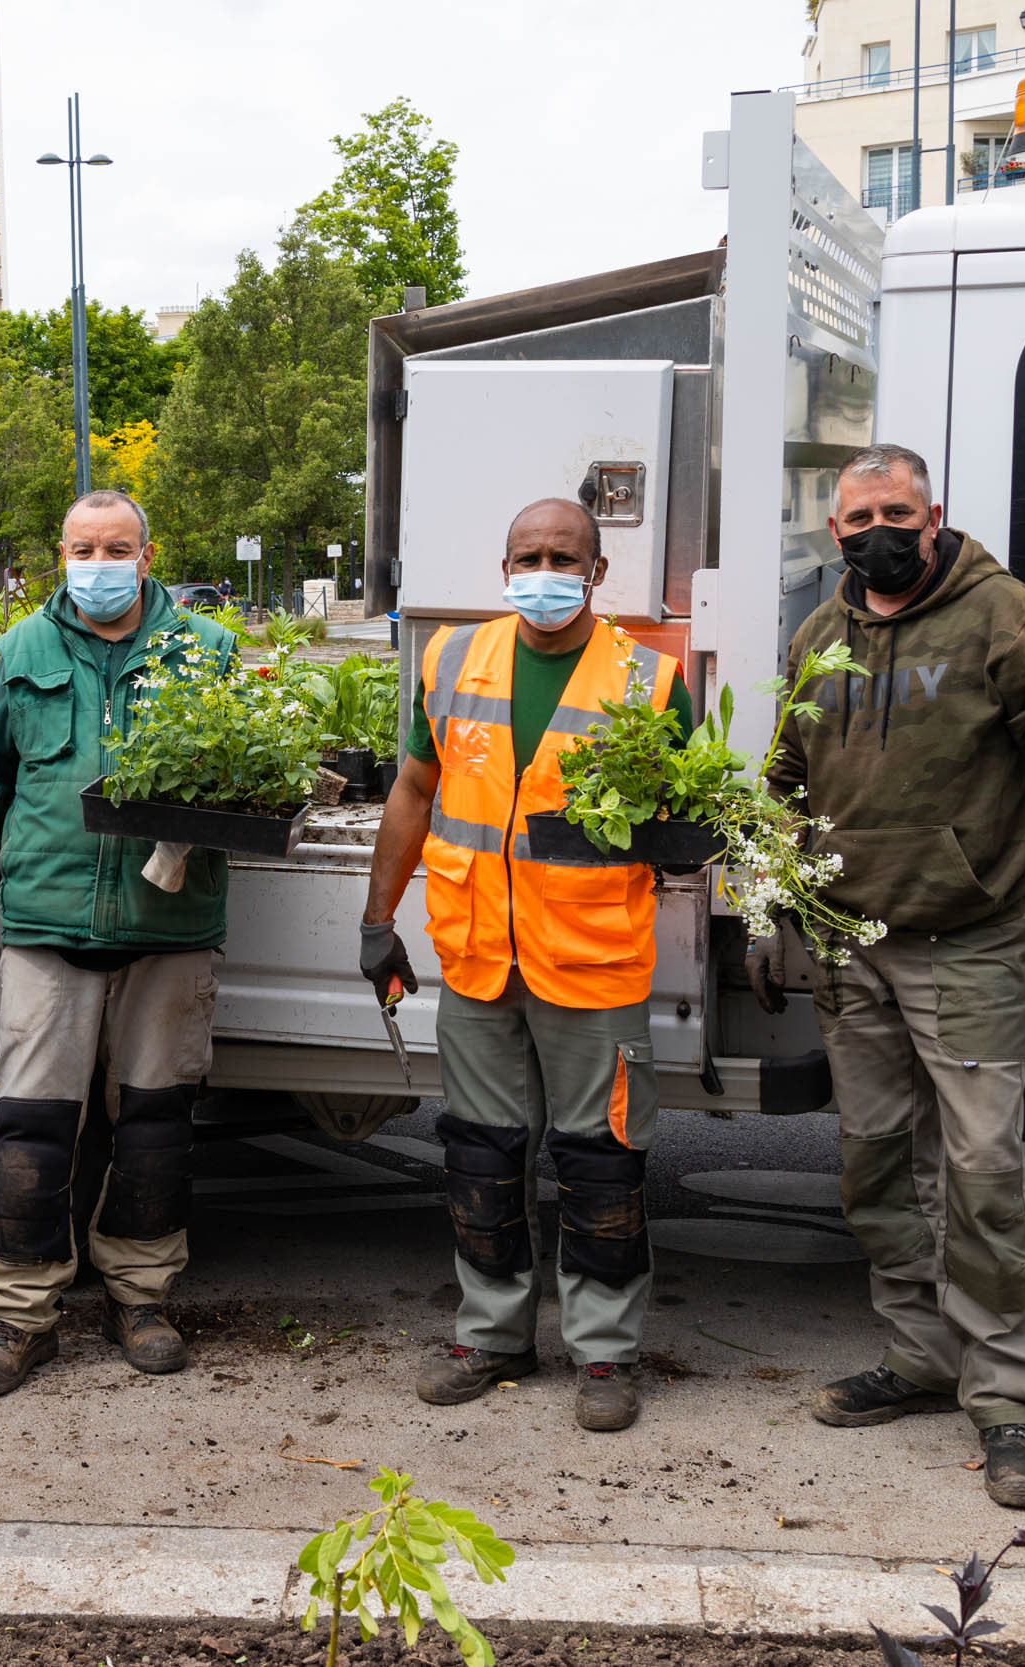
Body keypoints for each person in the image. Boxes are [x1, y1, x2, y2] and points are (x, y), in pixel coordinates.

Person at [751, 442, 1025, 1510]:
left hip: (965, 942)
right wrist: (770, 906)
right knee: (874, 1162)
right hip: (847, 947)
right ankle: (917, 1356)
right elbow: (781, 777)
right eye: (858, 516)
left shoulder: (1005, 616)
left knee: (982, 1172)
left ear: (933, 511)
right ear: (834, 532)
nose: (878, 530)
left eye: (896, 510)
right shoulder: (821, 633)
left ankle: (1006, 1400)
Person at [360, 499, 694, 1432]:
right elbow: (415, 791)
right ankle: (493, 1336)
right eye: (527, 555)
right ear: (503, 562)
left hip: (590, 965)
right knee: (481, 1158)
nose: (542, 570)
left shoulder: (649, 681)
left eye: (563, 557)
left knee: (601, 1167)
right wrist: (376, 917)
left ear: (597, 573)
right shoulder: (453, 658)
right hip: (476, 958)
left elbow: (677, 820)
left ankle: (604, 1355)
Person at [0, 490, 234, 1399]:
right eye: (83, 546)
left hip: (170, 924)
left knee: (155, 1121)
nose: (99, 562)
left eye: (117, 547)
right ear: (60, 554)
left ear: (148, 557)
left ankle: (140, 1298)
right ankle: (18, 1315)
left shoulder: (206, 652)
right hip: (44, 921)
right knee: (29, 1123)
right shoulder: (24, 650)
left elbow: (242, 782)